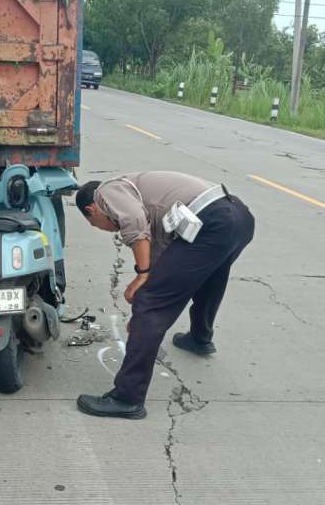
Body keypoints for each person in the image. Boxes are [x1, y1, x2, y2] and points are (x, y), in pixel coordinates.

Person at [73, 172, 256, 420]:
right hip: (238, 218)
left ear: (92, 209)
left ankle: (127, 399)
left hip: (213, 221)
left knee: (150, 304)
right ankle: (199, 338)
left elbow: (134, 223)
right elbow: (166, 259)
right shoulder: (146, 201)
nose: (107, 230)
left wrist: (143, 284)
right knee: (208, 279)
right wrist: (143, 325)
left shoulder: (106, 191)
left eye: (96, 225)